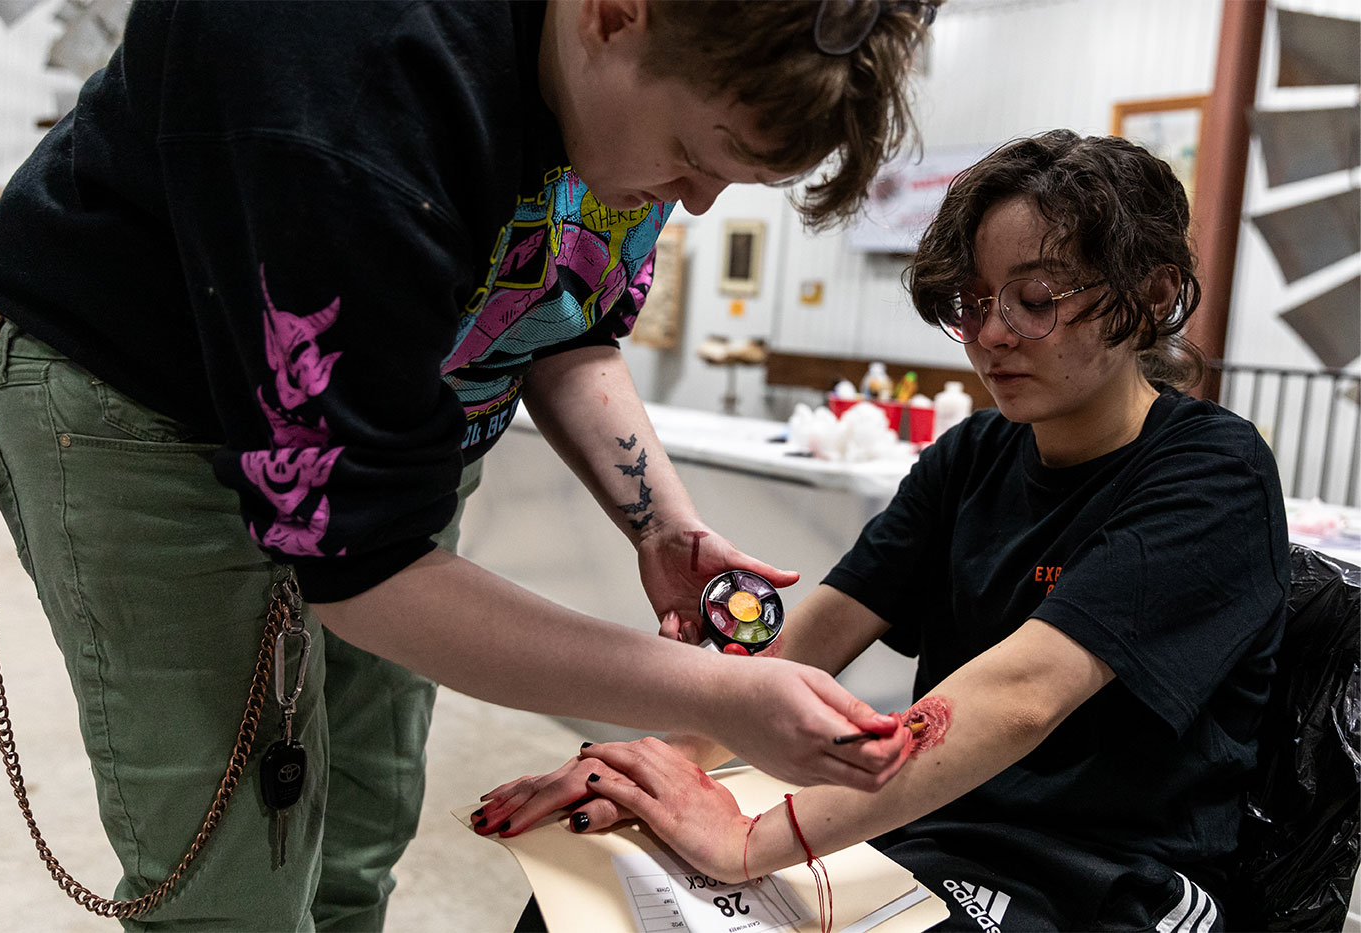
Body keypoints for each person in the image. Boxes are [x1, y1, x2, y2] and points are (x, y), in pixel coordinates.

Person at [0, 1, 942, 929]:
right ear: (611, 14)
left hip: (399, 445)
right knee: (232, 881)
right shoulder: (354, 89)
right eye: (692, 156)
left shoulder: (623, 79)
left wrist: (660, 524)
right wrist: (715, 697)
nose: (695, 199)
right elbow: (366, 570)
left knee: (360, 824)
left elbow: (560, 326)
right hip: (156, 413)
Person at [479, 130, 1290, 932]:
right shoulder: (975, 454)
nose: (992, 334)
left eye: (1036, 301)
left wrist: (748, 838)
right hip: (934, 833)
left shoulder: (1213, 472)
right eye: (973, 303)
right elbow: (817, 633)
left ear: (1150, 297)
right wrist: (660, 764)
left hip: (1107, 874)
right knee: (592, 885)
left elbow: (1023, 695)